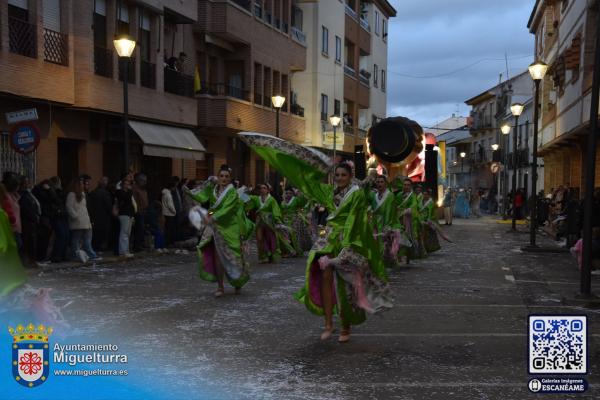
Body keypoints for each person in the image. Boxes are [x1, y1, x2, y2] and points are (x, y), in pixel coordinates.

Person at [240, 133, 392, 343]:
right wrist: (304, 164)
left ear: (350, 177)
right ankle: (329, 323)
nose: (339, 178)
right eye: (336, 175)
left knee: (345, 284)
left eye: (343, 175)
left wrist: (347, 248)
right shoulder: (329, 192)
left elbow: (354, 220)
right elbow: (306, 183)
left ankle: (345, 326)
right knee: (324, 274)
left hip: (348, 239)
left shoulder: (356, 194)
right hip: (329, 238)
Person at [186, 165, 253, 297]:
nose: (223, 178)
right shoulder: (213, 190)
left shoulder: (232, 192)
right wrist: (209, 214)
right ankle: (220, 287)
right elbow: (212, 207)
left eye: (226, 176)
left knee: (234, 257)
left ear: (230, 178)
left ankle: (238, 282)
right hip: (216, 227)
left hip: (230, 227)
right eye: (221, 176)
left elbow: (227, 209)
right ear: (218, 176)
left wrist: (213, 216)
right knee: (218, 257)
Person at [247, 183, 295, 262]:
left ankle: (271, 254)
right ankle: (263, 256)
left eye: (264, 188)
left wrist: (277, 219)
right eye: (261, 188)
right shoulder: (256, 199)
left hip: (269, 222)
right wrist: (242, 193)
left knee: (270, 238)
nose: (262, 189)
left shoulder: (271, 200)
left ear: (268, 190)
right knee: (259, 239)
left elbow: (275, 209)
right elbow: (247, 199)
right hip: (259, 222)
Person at [370, 174, 408, 268]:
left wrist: (387, 226)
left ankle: (386, 263)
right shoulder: (374, 195)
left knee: (385, 244)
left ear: (386, 184)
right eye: (378, 182)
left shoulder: (389, 195)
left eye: (382, 182)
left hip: (385, 222)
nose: (379, 184)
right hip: (376, 222)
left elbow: (389, 211)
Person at [65, 178, 100, 262]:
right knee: (76, 240)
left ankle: (91, 255)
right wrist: (75, 216)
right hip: (78, 221)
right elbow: (69, 206)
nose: (83, 186)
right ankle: (75, 256)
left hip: (85, 221)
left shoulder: (82, 194)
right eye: (81, 184)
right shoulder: (71, 194)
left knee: (87, 240)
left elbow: (84, 208)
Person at [397, 178, 424, 260]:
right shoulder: (399, 195)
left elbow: (414, 206)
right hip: (399, 218)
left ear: (411, 186)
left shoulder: (413, 196)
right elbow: (395, 205)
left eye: (408, 185)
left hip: (409, 219)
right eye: (405, 185)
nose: (406, 186)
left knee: (409, 237)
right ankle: (399, 255)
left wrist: (408, 210)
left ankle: (409, 254)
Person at [18, 176, 41, 267]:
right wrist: (33, 216)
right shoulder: (21, 194)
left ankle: (31, 260)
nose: (28, 183)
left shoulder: (29, 193)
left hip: (32, 221)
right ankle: (27, 261)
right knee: (27, 242)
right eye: (26, 182)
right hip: (26, 221)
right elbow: (25, 208)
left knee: (32, 242)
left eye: (28, 181)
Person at [281, 187, 310, 255]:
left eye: (290, 193)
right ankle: (288, 250)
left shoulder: (296, 200)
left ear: (293, 194)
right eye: (286, 193)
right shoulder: (282, 202)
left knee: (294, 235)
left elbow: (303, 202)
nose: (288, 195)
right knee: (285, 235)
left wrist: (300, 193)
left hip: (294, 219)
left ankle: (297, 250)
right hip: (285, 220)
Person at [88, 177, 113, 252]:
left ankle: (95, 248)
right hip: (104, 217)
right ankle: (100, 249)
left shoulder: (93, 192)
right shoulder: (105, 193)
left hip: (94, 216)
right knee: (103, 235)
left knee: (95, 235)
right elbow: (108, 206)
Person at [48, 176, 69, 263]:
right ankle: (56, 256)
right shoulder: (51, 191)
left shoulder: (59, 192)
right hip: (57, 215)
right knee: (61, 235)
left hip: (62, 215)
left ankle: (62, 255)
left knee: (66, 235)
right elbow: (56, 201)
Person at [115, 176, 136, 257]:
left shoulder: (128, 192)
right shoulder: (120, 192)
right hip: (124, 213)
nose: (128, 185)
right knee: (124, 233)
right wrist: (130, 190)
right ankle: (123, 251)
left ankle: (126, 250)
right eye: (126, 183)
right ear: (122, 184)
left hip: (129, 214)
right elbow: (126, 198)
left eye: (128, 183)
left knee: (127, 233)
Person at [2, 172, 21, 249]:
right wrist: (12, 221)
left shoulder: (13, 195)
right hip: (10, 228)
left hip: (15, 228)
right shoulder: (5, 195)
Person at [132, 173, 149, 252]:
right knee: (139, 229)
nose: (145, 182)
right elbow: (134, 202)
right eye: (143, 181)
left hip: (143, 212)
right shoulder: (135, 190)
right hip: (138, 212)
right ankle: (137, 246)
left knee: (142, 229)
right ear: (138, 180)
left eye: (145, 181)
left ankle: (141, 244)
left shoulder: (144, 190)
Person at [162, 178, 178, 246]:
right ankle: (168, 242)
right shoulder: (168, 194)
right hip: (169, 213)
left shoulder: (164, 193)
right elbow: (170, 205)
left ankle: (167, 242)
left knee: (167, 229)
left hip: (166, 212)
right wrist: (174, 211)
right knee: (169, 229)